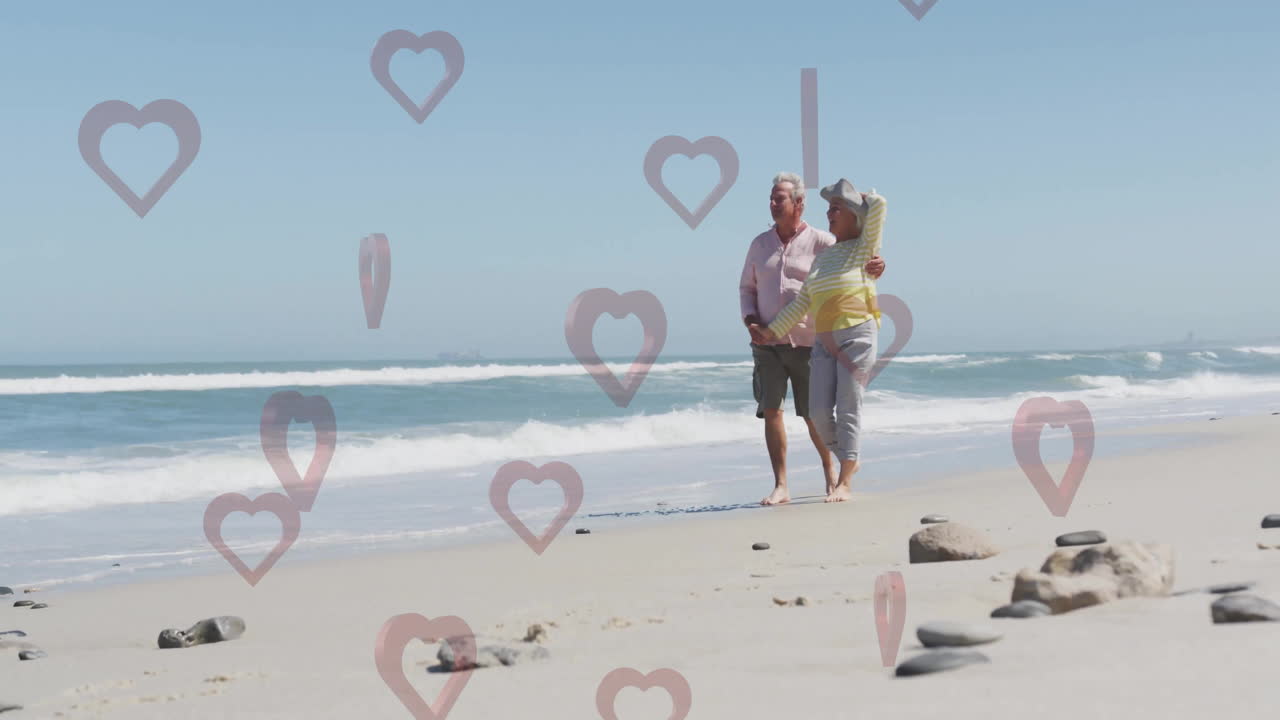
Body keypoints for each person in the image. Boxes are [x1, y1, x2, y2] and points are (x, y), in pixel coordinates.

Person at [739, 172, 884, 506]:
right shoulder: (768, 247)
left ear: (798, 203)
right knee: (798, 411)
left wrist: (876, 260)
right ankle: (803, 477)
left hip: (832, 337)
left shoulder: (837, 245)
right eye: (772, 198)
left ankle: (839, 476)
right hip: (792, 341)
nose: (773, 204)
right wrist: (761, 327)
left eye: (781, 198)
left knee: (833, 408)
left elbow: (870, 229)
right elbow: (785, 297)